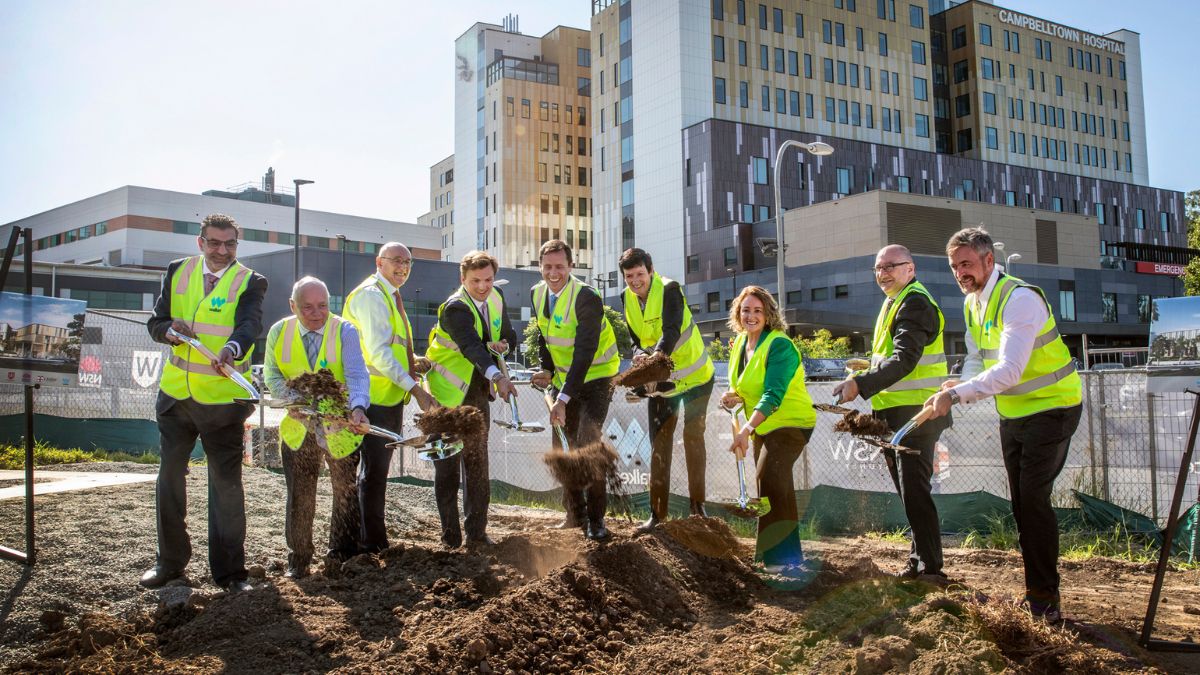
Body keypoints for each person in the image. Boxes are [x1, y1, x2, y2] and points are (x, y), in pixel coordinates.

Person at [923, 227, 1082, 622]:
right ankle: (1037, 595)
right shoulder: (973, 303)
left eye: (966, 264)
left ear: (989, 261)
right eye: (954, 266)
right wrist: (961, 381)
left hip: (1054, 407)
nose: (960, 272)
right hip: (1014, 414)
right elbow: (980, 359)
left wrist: (956, 396)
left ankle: (1045, 601)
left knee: (1032, 500)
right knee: (1021, 505)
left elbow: (1009, 370)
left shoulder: (1019, 299)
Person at [143, 213, 267, 593]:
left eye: (230, 244)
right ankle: (170, 563)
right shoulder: (177, 271)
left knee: (226, 486)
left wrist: (232, 348)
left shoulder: (250, 281)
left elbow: (250, 325)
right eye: (214, 243)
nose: (222, 250)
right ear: (200, 243)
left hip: (222, 402)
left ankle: (230, 574)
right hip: (176, 397)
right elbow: (156, 323)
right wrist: (168, 331)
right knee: (169, 480)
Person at [833, 244, 950, 579]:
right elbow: (894, 356)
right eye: (878, 268)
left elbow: (906, 359)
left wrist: (861, 383)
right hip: (897, 414)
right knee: (909, 492)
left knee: (915, 491)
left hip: (918, 414)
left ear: (909, 269)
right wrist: (866, 369)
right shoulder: (894, 302)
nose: (882, 273)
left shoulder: (914, 302)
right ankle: (919, 561)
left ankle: (930, 567)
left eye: (890, 267)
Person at [263, 277, 371, 579]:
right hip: (299, 426)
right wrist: (289, 398)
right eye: (307, 307)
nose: (316, 313)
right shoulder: (278, 332)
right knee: (300, 494)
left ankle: (341, 555)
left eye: (322, 306)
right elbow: (272, 374)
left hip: (340, 426)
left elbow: (357, 375)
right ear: (292, 306)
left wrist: (358, 407)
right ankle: (299, 558)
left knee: (344, 491)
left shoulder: (345, 331)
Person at [342, 242, 437, 554]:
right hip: (372, 399)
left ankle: (366, 540)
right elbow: (379, 354)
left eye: (408, 262)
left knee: (374, 472)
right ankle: (371, 543)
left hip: (385, 397)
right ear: (379, 262)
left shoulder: (388, 295)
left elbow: (390, 346)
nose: (403, 267)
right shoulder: (371, 295)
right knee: (373, 473)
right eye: (396, 261)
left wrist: (413, 362)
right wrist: (416, 389)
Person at [424, 251, 519, 548]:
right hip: (446, 393)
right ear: (462, 278)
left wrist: (506, 343)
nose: (483, 286)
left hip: (477, 389)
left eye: (488, 279)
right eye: (475, 280)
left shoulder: (497, 295)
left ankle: (477, 534)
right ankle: (450, 535)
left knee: (477, 460)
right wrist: (498, 376)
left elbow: (507, 334)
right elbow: (471, 347)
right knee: (447, 463)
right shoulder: (454, 308)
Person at [618, 247, 715, 533]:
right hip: (662, 383)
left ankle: (698, 510)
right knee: (659, 446)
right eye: (628, 276)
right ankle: (657, 516)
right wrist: (638, 355)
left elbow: (671, 330)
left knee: (693, 438)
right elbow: (635, 339)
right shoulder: (626, 298)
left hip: (696, 378)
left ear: (650, 270)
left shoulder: (670, 289)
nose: (634, 281)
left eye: (639, 274)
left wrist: (654, 360)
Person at [529, 239, 619, 541]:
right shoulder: (537, 294)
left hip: (597, 379)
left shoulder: (586, 297)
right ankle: (574, 516)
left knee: (587, 444)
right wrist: (547, 369)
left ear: (571, 266)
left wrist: (563, 399)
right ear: (540, 266)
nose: (553, 273)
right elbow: (545, 336)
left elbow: (584, 353)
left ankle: (596, 521)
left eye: (560, 266)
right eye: (548, 267)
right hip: (566, 379)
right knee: (563, 448)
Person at [722, 286, 816, 573]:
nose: (751, 316)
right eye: (746, 310)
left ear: (769, 315)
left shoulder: (780, 345)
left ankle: (778, 559)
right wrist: (732, 395)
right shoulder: (740, 343)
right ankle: (787, 558)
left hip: (791, 424)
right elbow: (744, 385)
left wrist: (747, 429)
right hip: (763, 427)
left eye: (757, 311)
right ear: (738, 313)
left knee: (770, 477)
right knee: (774, 486)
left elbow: (773, 394)